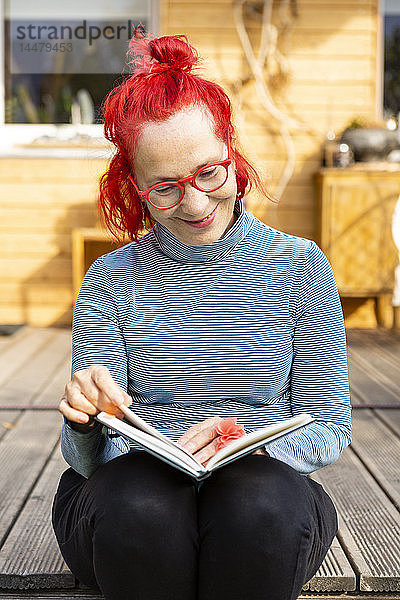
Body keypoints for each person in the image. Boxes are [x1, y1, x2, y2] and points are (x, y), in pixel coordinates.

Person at [52, 31, 351, 600]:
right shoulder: (112, 278)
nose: (194, 204)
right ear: (135, 189)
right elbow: (89, 460)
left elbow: (329, 426)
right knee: (144, 510)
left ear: (233, 155)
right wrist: (85, 421)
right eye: (164, 188)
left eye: (209, 173)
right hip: (129, 493)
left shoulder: (299, 267)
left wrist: (248, 442)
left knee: (255, 510)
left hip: (261, 484)